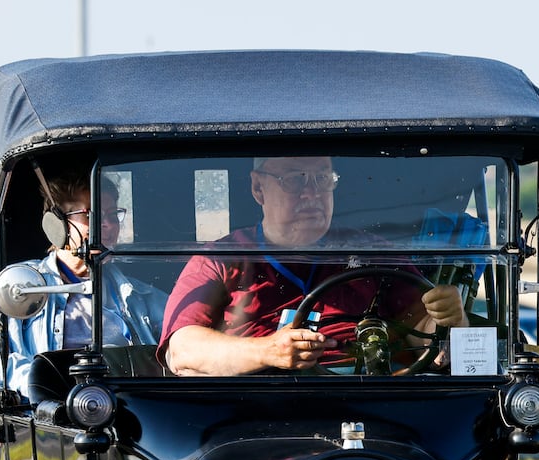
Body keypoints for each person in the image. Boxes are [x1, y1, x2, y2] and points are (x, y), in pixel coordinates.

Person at [159, 155, 468, 376]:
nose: (312, 193)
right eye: (295, 180)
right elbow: (183, 350)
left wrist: (450, 319)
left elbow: (425, 337)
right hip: (258, 402)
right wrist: (269, 351)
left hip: (371, 397)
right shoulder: (223, 258)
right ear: (258, 189)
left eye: (323, 179)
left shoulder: (374, 252)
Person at [0, 170, 167, 397]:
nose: (106, 224)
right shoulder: (14, 286)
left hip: (129, 410)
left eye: (113, 214)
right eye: (91, 214)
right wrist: (43, 383)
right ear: (56, 224)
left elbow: (179, 342)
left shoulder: (140, 295)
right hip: (51, 418)